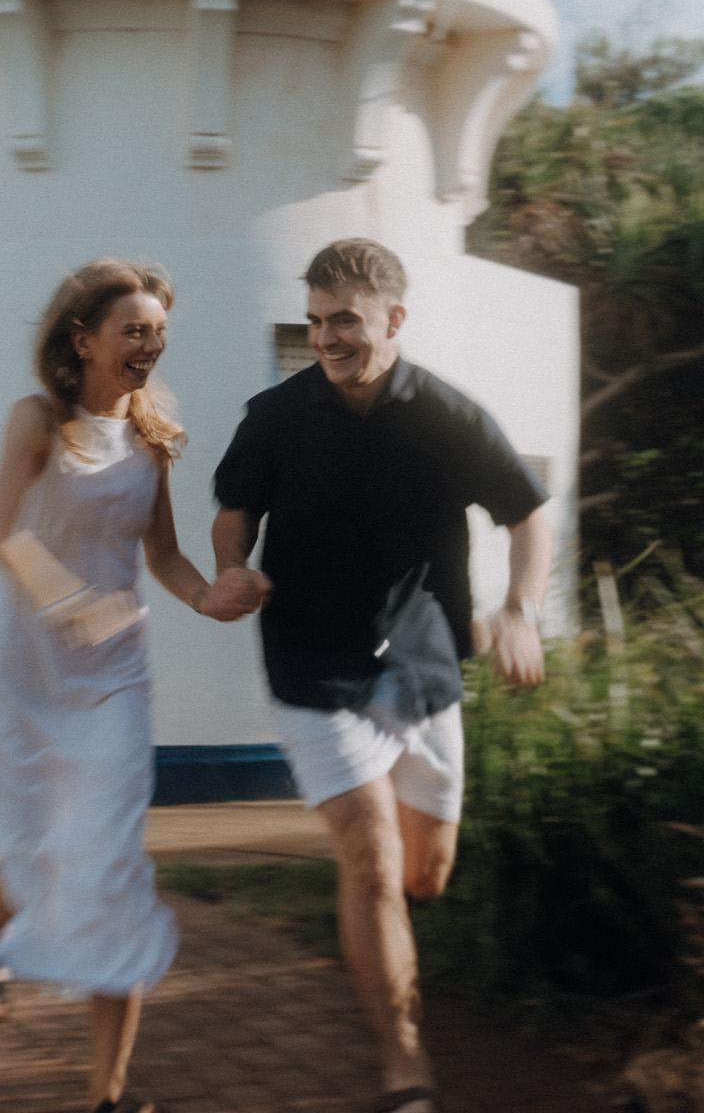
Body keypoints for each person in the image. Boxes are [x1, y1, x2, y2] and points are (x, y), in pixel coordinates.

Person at [211, 238, 551, 1113]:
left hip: (423, 662)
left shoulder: (446, 415)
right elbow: (235, 508)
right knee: (370, 857)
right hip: (311, 662)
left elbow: (527, 514)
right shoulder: (278, 416)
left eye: (346, 321)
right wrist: (232, 567)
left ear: (394, 320)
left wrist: (519, 612)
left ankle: (372, 934)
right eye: (316, 321)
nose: (326, 338)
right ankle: (404, 1065)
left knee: (422, 874)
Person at [0, 258, 269, 1113]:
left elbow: (161, 556)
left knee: (111, 865)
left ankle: (108, 1098)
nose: (150, 344)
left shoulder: (151, 431)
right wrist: (74, 605)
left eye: (158, 331)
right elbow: (1, 540)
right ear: (82, 338)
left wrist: (212, 596)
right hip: (28, 665)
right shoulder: (37, 421)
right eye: (134, 329)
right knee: (49, 849)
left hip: (117, 677)